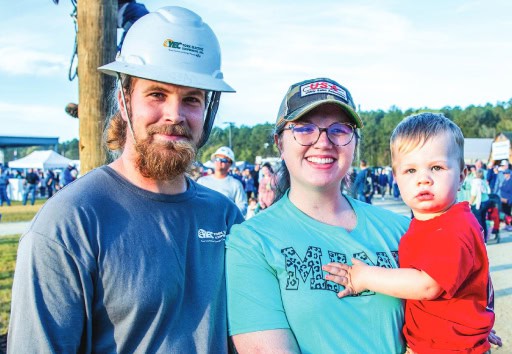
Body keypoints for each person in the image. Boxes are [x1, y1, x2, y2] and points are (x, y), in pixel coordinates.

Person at [8, 6, 243, 353]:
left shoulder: (224, 217)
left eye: (192, 99)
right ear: (124, 99)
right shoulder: (72, 222)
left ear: (208, 111)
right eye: (157, 94)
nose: (175, 115)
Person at [225, 78, 411, 353]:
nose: (323, 142)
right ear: (279, 143)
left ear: (354, 143)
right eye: (304, 128)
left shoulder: (402, 229)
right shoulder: (252, 242)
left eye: (339, 130)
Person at [324, 113, 495, 353]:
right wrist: (476, 323)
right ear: (396, 178)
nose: (423, 179)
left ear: (461, 176)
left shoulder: (454, 228)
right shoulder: (425, 224)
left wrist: (362, 277)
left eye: (436, 167)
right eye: (410, 170)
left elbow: (427, 285)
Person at [197, 146, 248, 216]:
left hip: (225, 226)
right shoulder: (202, 182)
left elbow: (243, 207)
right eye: (217, 159)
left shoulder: (235, 184)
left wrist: (227, 216)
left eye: (223, 160)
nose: (219, 161)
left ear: (230, 163)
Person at [469, 168, 491, 242]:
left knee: (478, 222)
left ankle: (480, 239)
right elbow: (488, 190)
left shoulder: (476, 182)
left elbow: (473, 194)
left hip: (478, 204)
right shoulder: (483, 181)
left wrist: (470, 203)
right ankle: (485, 238)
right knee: (483, 220)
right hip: (485, 202)